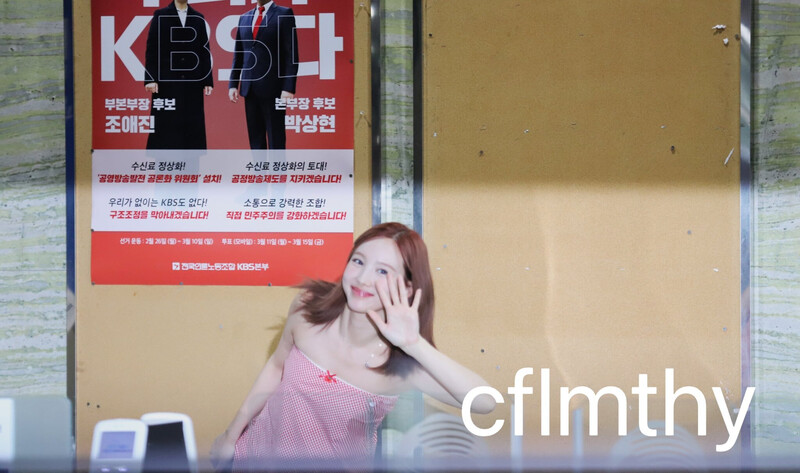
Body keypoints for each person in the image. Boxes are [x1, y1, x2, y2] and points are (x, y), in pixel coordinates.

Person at [210, 223, 495, 470]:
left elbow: (484, 401)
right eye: (358, 261)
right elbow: (275, 367)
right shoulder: (307, 309)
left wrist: (414, 344)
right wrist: (231, 436)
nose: (362, 278)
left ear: (407, 289)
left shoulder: (400, 367)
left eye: (382, 271)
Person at [228, 0, 299, 150]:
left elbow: (291, 54)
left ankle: (277, 174)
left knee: (276, 138)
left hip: (275, 89)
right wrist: (233, 84)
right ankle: (259, 174)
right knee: (255, 139)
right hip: (249, 88)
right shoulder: (244, 18)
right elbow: (239, 54)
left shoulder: (284, 14)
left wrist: (289, 87)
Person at [143, 0, 213, 149]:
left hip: (192, 84)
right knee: (165, 132)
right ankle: (164, 171)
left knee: (192, 133)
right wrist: (150, 78)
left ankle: (190, 172)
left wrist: (207, 80)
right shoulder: (160, 15)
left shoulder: (198, 18)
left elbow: (204, 51)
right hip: (166, 84)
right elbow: (152, 49)